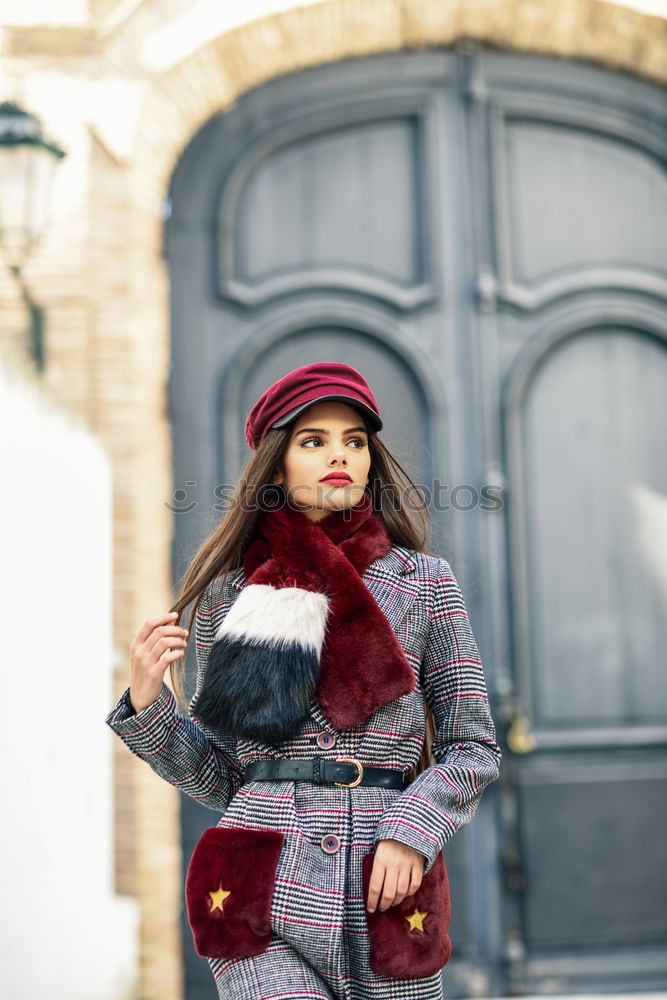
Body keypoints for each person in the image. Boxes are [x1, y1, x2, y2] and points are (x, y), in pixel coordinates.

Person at [106, 361, 502, 1000]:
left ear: (371, 460)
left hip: (388, 886)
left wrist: (413, 829)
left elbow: (472, 746)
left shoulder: (424, 584)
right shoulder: (230, 593)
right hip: (262, 887)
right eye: (312, 441)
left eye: (354, 441)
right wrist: (152, 709)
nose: (338, 455)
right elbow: (225, 777)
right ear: (277, 462)